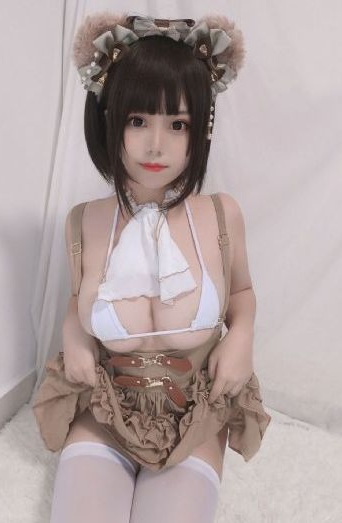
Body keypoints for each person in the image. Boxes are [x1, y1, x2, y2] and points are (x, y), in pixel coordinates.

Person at [32, 11, 272, 523]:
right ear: (108, 120)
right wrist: (74, 337)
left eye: (177, 124)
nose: (156, 144)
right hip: (105, 411)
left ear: (200, 129)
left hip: (195, 415)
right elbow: (79, 302)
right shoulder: (83, 222)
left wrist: (242, 336)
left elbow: (241, 292)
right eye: (138, 120)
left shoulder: (221, 215)